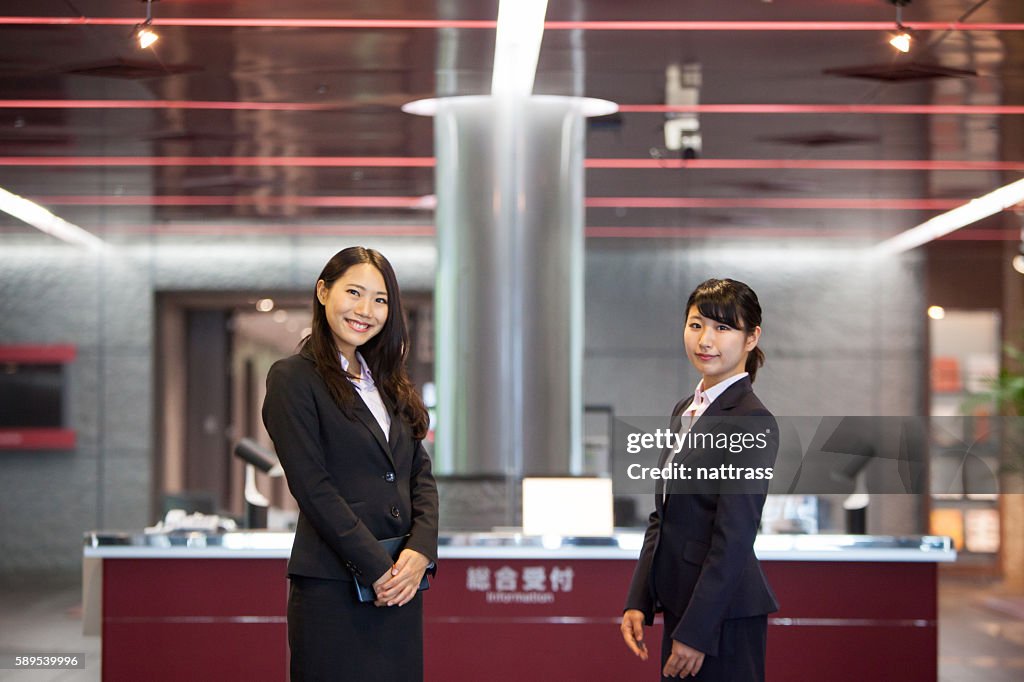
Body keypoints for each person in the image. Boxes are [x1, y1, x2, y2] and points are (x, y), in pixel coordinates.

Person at [262, 246, 438, 681]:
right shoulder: (293, 379)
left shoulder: (389, 383)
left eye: (380, 299)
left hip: (400, 585)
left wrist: (420, 551)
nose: (366, 310)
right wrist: (378, 569)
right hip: (335, 587)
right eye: (354, 293)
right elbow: (312, 487)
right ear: (323, 292)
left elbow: (420, 475)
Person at [621, 278, 779, 681]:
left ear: (751, 338)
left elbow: (735, 536)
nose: (705, 339)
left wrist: (697, 632)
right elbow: (664, 514)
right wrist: (639, 600)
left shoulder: (751, 420)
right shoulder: (687, 409)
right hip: (682, 603)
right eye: (696, 325)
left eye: (723, 328)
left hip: (720, 618)